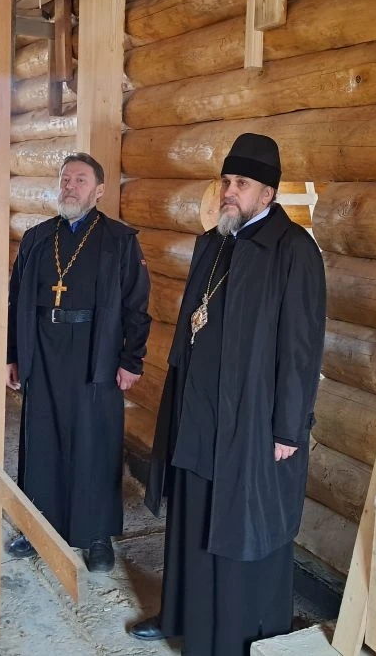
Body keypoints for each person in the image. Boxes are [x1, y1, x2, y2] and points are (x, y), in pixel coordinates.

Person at [130, 133, 326, 655]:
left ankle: (228, 638)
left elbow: (301, 350)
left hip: (252, 421)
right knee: (193, 514)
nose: (229, 192)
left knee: (241, 526)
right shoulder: (214, 242)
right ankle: (183, 615)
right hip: (199, 412)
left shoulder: (293, 251)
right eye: (226, 181)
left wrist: (288, 430)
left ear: (268, 193)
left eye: (241, 183)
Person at [5, 153, 151, 573]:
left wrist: (131, 359)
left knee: (94, 443)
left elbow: (136, 305)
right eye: (65, 179)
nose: (70, 186)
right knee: (42, 439)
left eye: (81, 180)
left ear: (99, 190)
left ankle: (96, 535)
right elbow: (16, 301)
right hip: (43, 351)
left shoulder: (119, 240)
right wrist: (13, 355)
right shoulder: (37, 238)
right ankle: (37, 528)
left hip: (95, 353)